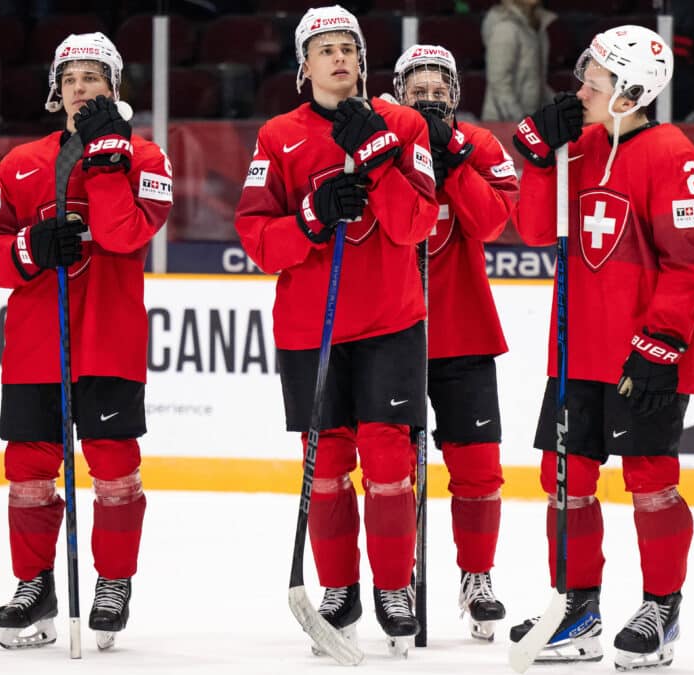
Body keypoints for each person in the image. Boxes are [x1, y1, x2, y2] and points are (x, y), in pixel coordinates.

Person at [508, 25, 694, 670]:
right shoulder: (581, 144)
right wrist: (541, 157)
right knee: (563, 477)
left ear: (630, 90)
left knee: (651, 480)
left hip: (643, 353)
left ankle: (662, 607)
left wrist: (661, 341)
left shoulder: (671, 151)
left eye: (595, 77)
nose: (582, 86)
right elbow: (538, 227)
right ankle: (577, 608)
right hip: (576, 350)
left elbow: (692, 264)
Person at [233, 5, 438, 657]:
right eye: (325, 49)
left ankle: (393, 587)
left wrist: (377, 161)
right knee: (324, 468)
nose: (340, 56)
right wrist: (313, 216)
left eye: (349, 46)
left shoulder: (403, 125)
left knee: (387, 461)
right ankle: (339, 589)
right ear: (303, 66)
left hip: (390, 319)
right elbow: (258, 239)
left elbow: (417, 226)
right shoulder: (277, 137)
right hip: (310, 329)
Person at [0, 32, 172, 650]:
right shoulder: (21, 162)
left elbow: (121, 236)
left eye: (94, 77)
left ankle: (112, 583)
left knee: (113, 466)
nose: (81, 87)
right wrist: (31, 247)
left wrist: (108, 165)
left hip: (109, 339)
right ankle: (35, 584)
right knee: (28, 470)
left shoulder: (148, 158)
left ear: (115, 89)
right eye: (71, 78)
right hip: (37, 342)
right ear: (55, 93)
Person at [391, 43, 519, 641]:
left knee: (478, 468)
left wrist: (455, 164)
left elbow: (493, 223)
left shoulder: (481, 147)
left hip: (464, 333)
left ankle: (477, 577)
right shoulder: (381, 140)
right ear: (398, 92)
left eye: (439, 87)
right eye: (417, 87)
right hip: (391, 332)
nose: (430, 95)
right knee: (396, 469)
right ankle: (401, 579)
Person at [480, 0, 555, 121]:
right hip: (502, 123)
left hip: (529, 121)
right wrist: (521, 120)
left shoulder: (538, 27)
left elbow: (536, 82)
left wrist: (562, 107)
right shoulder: (505, 28)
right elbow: (499, 85)